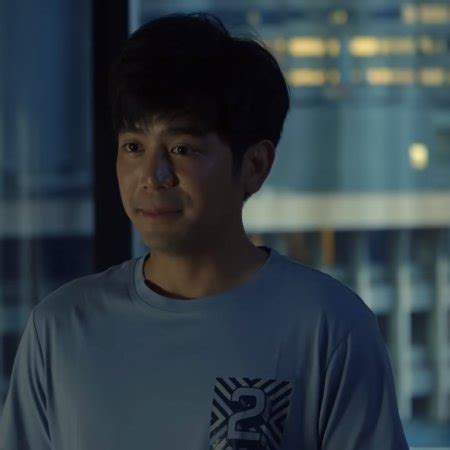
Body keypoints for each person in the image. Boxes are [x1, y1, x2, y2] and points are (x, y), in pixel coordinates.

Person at [0, 12, 409, 450]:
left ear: (254, 165)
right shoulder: (60, 328)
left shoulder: (328, 327)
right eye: (133, 147)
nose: (152, 176)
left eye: (182, 149)